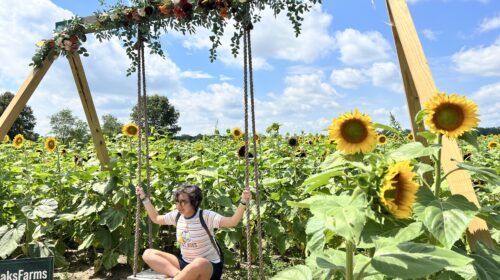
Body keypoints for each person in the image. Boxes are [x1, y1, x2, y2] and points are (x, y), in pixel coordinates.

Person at [135, 184, 251, 280]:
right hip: (186, 264)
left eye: (183, 202)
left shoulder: (205, 216)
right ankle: (179, 276)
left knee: (199, 262)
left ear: (194, 202)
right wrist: (144, 198)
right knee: (148, 254)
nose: (178, 206)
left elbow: (232, 221)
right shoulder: (177, 216)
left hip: (209, 268)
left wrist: (243, 202)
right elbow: (156, 218)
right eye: (177, 201)